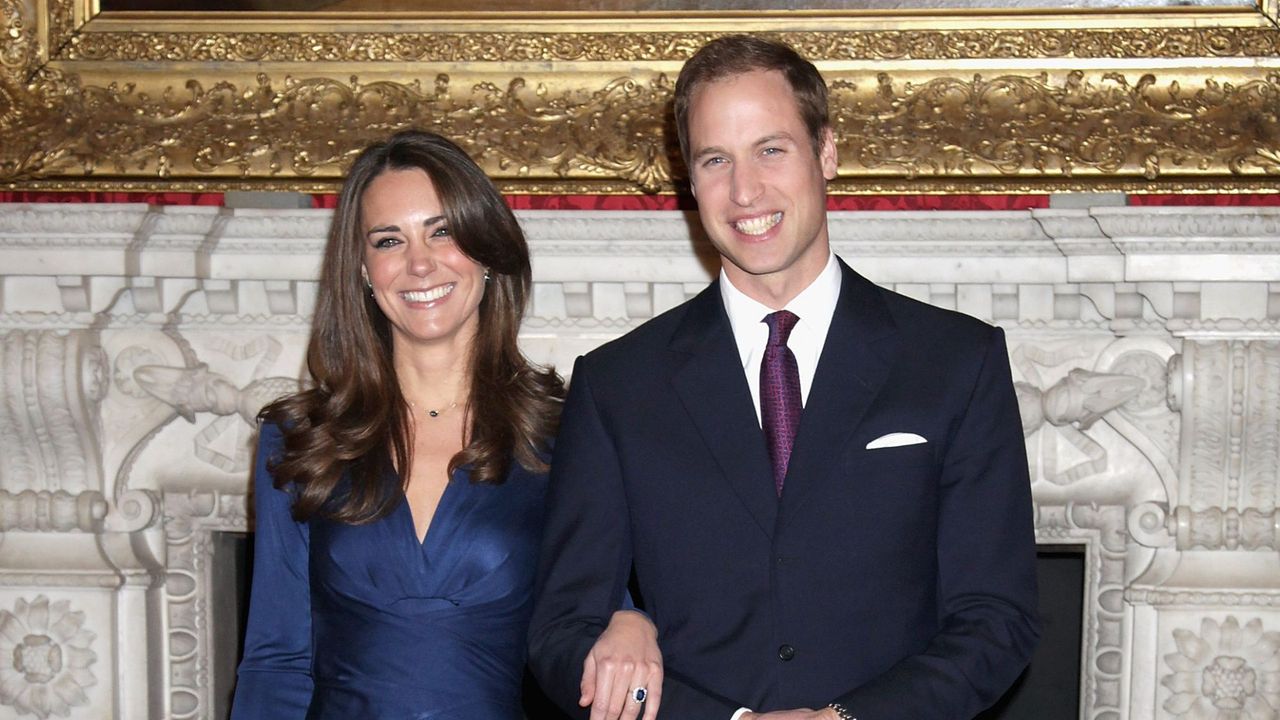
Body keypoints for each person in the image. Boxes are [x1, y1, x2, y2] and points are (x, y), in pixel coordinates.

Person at [528, 35, 1040, 720]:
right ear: (689, 178)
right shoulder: (618, 385)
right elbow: (561, 636)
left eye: (771, 149)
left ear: (826, 151)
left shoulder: (955, 363)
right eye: (716, 160)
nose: (745, 191)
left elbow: (997, 620)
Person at [231, 130, 662, 720]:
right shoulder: (300, 440)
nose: (419, 262)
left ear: (485, 249)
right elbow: (276, 660)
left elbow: (607, 609)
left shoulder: (566, 434)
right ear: (362, 269)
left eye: (442, 230)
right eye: (389, 240)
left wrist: (633, 620)